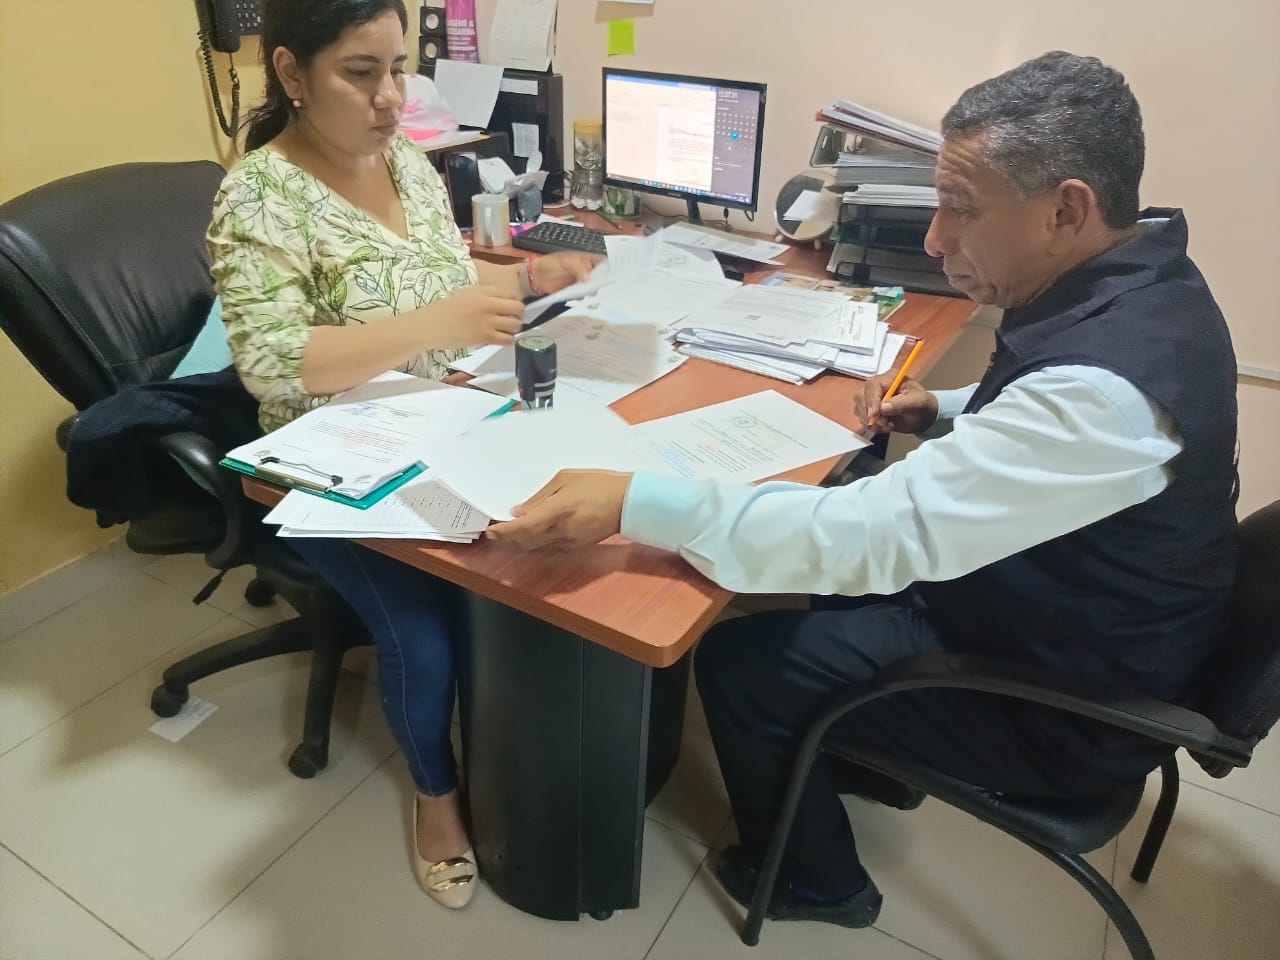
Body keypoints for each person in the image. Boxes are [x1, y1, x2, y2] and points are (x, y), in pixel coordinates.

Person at [487, 51, 1239, 928]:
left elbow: (869, 538)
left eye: (961, 209)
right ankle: (856, 753)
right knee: (816, 569)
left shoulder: (1104, 396)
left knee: (740, 660)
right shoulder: (1149, 282)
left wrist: (630, 503)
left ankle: (819, 883)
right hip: (1075, 616)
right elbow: (1050, 406)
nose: (936, 240)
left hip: (1066, 698)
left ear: (1066, 210)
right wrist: (945, 407)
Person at [207, 0, 596, 910]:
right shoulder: (257, 194)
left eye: (397, 69)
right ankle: (436, 795)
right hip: (331, 456)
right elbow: (272, 361)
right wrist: (435, 324)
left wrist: (528, 277)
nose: (390, 97)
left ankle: (535, 747)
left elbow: (445, 281)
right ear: (292, 74)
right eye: (360, 72)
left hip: (444, 415)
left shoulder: (406, 159)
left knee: (558, 539)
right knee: (421, 628)